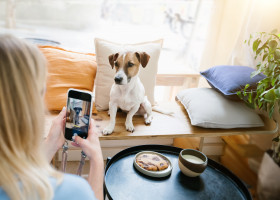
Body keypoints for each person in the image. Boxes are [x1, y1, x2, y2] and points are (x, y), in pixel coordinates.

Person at [0, 34, 104, 200]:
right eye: (42, 92)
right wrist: (97, 160)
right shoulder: (71, 191)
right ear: (28, 108)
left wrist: (50, 143)